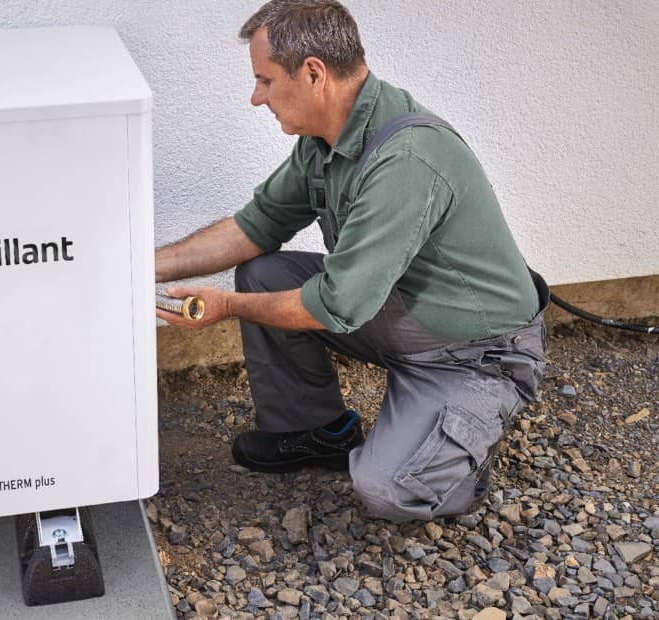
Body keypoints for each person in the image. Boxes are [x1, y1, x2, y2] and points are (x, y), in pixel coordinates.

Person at [155, 0, 549, 522]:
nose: (257, 98)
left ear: (313, 73)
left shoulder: (405, 160)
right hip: (397, 313)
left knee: (388, 491)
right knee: (264, 272)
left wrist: (227, 306)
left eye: (266, 80)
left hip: (472, 352)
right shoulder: (325, 139)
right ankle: (318, 432)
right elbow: (256, 227)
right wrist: (142, 264)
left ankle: (460, 452)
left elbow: (334, 305)